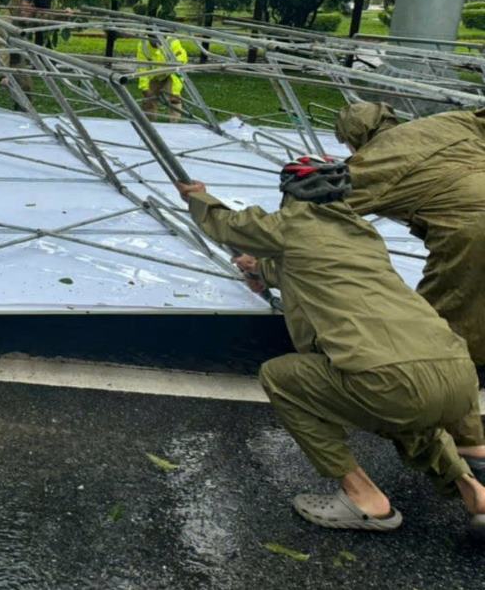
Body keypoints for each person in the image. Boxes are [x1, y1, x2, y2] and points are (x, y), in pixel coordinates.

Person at [176, 155, 485, 531]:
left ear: (290, 193)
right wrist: (262, 270)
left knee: (282, 377)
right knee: (405, 408)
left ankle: (362, 497)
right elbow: (320, 263)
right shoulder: (363, 234)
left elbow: (227, 225)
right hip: (458, 377)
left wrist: (198, 198)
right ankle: (474, 492)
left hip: (390, 380)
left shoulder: (290, 224)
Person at [335, 100, 485, 468]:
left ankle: (466, 443)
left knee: (438, 336)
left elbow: (316, 208)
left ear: (355, 139)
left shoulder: (373, 162)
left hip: (474, 241)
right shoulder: (449, 121)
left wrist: (258, 256)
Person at [136, 35, 187, 122]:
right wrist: (144, 87)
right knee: (148, 100)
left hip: (170, 74)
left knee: (174, 100)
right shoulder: (143, 44)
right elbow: (142, 67)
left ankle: (174, 125)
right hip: (153, 75)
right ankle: (149, 125)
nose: (155, 42)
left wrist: (175, 91)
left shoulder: (173, 43)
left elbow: (178, 69)